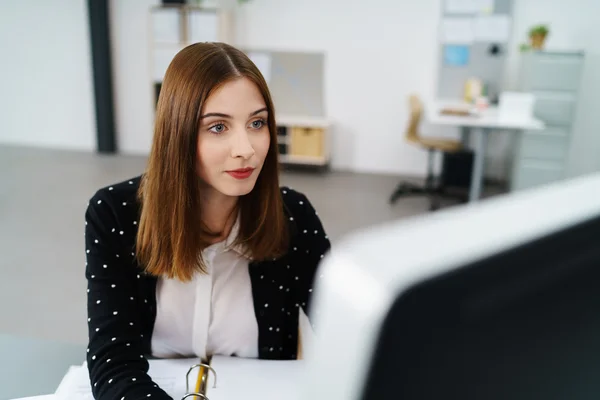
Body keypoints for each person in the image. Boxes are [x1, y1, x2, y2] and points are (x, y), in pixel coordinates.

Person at [84, 42, 330, 399]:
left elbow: (348, 333)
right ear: (178, 133)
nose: (246, 148)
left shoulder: (293, 215)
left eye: (257, 123)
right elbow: (113, 359)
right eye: (218, 127)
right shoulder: (115, 213)